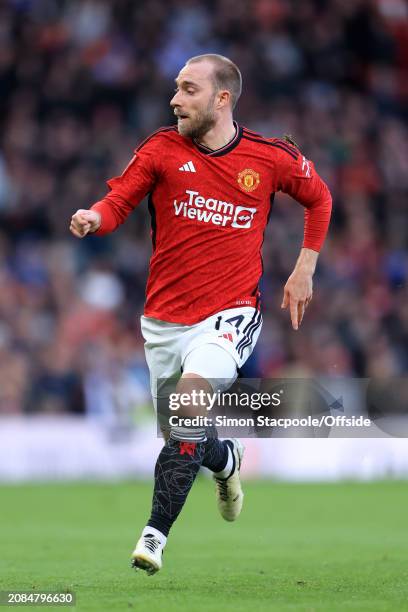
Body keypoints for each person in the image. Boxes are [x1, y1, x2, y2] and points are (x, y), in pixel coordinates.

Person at [69, 54, 332, 575]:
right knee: (183, 437)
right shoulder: (162, 149)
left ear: (222, 99)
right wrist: (93, 217)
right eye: (175, 88)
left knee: (191, 403)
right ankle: (226, 461)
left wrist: (304, 268)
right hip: (163, 320)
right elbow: (119, 201)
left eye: (188, 89)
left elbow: (319, 199)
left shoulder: (270, 157)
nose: (175, 99)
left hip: (229, 315)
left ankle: (154, 537)